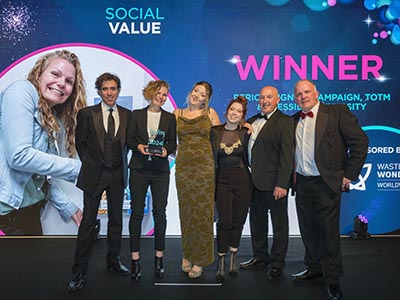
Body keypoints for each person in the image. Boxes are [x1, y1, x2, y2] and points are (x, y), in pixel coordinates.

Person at [291, 79, 368, 300]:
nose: (303, 96)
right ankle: (314, 268)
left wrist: (349, 174)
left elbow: (360, 141)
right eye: (298, 94)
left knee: (328, 233)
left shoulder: (336, 112)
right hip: (303, 183)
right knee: (308, 229)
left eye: (307, 92)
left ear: (316, 93)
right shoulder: (294, 119)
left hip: (327, 182)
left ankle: (332, 279)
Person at [0, 49, 86, 236]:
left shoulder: (50, 116)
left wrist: (68, 207)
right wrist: (80, 169)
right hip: (8, 217)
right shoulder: (21, 91)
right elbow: (19, 156)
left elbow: (41, 174)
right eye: (55, 74)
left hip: (29, 212)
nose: (61, 83)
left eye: (69, 81)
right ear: (39, 74)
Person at [68, 72, 131, 292]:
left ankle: (113, 262)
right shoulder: (86, 114)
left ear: (118, 91)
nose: (109, 93)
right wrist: (93, 165)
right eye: (105, 89)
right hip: (95, 174)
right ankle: (79, 271)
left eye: (113, 88)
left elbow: (128, 144)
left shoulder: (127, 114)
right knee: (87, 224)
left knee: (116, 220)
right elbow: (80, 144)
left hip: (117, 174)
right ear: (99, 91)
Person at [239, 86, 294, 281]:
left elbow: (287, 156)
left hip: (274, 184)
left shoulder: (286, 122)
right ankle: (260, 256)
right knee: (257, 221)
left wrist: (282, 184)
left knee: (279, 224)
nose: (265, 100)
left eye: (269, 97)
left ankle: (277, 263)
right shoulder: (252, 121)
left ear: (278, 99)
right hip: (253, 183)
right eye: (262, 97)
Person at [126, 80, 177, 281]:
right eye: (159, 93)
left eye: (165, 94)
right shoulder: (136, 115)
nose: (161, 97)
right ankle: (135, 259)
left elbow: (172, 142)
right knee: (137, 213)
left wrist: (167, 150)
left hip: (160, 171)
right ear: (150, 93)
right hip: (139, 169)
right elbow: (129, 139)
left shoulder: (170, 118)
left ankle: (159, 258)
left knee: (160, 213)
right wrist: (138, 146)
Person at [173, 81, 221, 278]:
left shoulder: (210, 114)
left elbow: (223, 137)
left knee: (202, 213)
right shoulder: (177, 114)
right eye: (196, 91)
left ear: (206, 99)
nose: (197, 95)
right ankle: (187, 253)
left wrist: (244, 127)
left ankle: (200, 259)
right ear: (190, 92)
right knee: (186, 211)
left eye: (203, 94)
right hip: (184, 168)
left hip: (204, 169)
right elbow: (166, 138)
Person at [210, 96, 252, 283]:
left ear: (243, 116)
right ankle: (220, 261)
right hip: (222, 182)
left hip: (243, 182)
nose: (234, 113)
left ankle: (233, 258)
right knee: (223, 222)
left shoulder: (246, 132)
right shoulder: (214, 131)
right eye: (232, 109)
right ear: (226, 111)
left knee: (238, 221)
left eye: (239, 111)